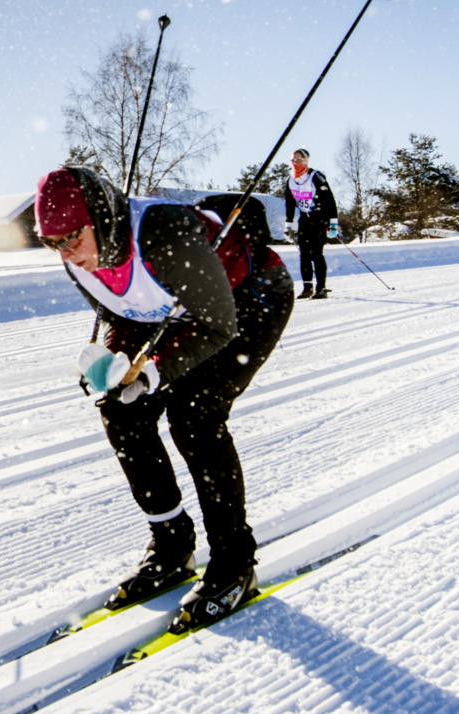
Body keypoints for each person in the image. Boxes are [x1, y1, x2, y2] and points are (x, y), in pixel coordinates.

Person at [34, 166, 294, 633]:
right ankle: (172, 544)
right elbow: (126, 314)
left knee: (195, 415)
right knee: (120, 408)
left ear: (100, 219)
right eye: (52, 243)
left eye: (72, 237)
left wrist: (152, 371)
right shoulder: (76, 257)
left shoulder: (164, 235)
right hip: (178, 313)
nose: (66, 253)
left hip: (249, 299)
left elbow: (218, 326)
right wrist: (114, 364)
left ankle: (235, 563)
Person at [278, 148, 339, 299]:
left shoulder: (315, 176)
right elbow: (289, 203)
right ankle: (307, 288)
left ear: (306, 161)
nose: (295, 163)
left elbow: (329, 200)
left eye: (299, 160)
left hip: (318, 218)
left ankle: (321, 287)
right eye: (293, 160)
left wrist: (333, 223)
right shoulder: (291, 180)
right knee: (304, 255)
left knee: (317, 254)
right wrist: (288, 224)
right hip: (304, 219)